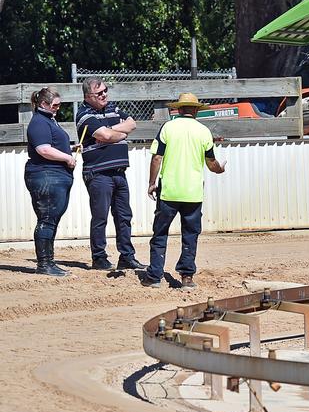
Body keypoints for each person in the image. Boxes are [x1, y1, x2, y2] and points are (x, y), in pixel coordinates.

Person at [141, 93, 226, 289]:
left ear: (178, 109)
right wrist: (220, 169)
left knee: (160, 233)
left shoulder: (168, 127)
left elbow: (156, 158)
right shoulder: (204, 131)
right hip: (193, 193)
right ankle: (187, 277)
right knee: (190, 234)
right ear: (196, 110)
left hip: (169, 191)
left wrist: (151, 182)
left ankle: (154, 276)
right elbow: (211, 163)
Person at [76, 77, 145, 271]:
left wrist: (110, 131)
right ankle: (99, 258)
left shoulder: (113, 108)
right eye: (99, 93)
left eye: (105, 90)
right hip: (98, 173)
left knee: (124, 216)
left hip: (119, 171)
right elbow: (105, 136)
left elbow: (132, 124)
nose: (104, 95)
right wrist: (113, 133)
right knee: (100, 217)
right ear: (88, 96)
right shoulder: (83, 114)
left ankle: (127, 257)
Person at [24, 87, 75, 276]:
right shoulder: (39, 122)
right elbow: (44, 149)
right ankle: (44, 264)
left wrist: (70, 149)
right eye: (55, 105)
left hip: (52, 175)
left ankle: (48, 262)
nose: (58, 108)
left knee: (50, 219)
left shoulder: (47, 120)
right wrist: (67, 158)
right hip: (46, 175)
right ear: (44, 104)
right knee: (47, 219)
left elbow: (51, 146)